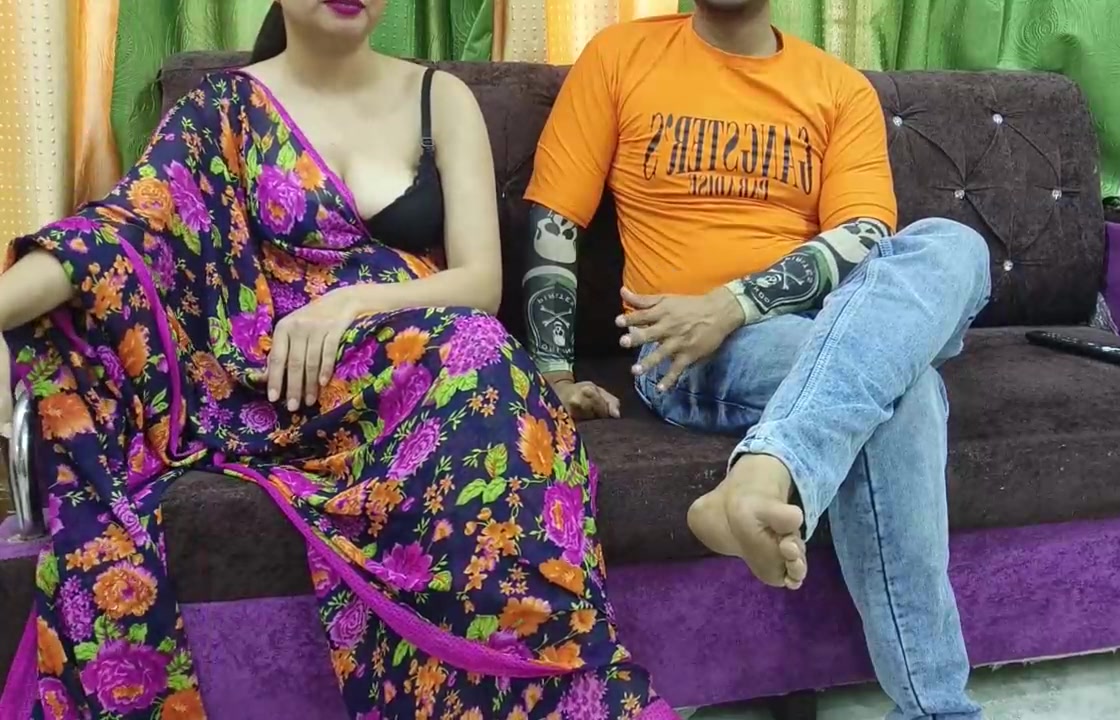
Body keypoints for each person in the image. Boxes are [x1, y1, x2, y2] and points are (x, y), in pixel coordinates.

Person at [0, 1, 675, 718]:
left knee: (481, 354)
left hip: (431, 368)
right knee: (479, 357)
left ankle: (555, 679)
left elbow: (480, 283)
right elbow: (119, 236)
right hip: (291, 393)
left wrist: (347, 304)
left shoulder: (439, 98)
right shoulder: (221, 111)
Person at [522, 1, 991, 719]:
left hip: (815, 323)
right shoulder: (619, 57)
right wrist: (553, 374)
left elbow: (866, 238)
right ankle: (937, 709)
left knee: (956, 245)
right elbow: (555, 221)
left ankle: (763, 470)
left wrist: (733, 303)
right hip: (689, 350)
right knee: (908, 387)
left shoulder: (838, 88)